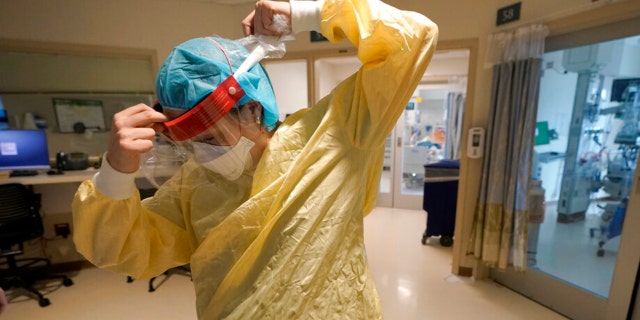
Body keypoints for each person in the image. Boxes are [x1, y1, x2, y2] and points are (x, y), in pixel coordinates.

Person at [72, 0, 438, 318]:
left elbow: (413, 37)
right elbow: (122, 249)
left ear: (252, 110)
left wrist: (308, 14)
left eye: (213, 137)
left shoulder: (336, 134)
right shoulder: (194, 183)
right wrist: (114, 173)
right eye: (192, 143)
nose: (203, 154)